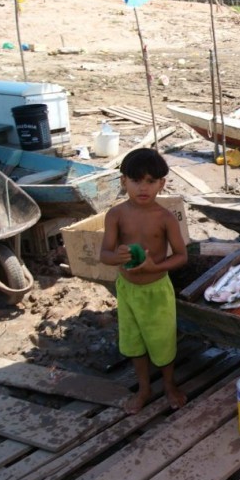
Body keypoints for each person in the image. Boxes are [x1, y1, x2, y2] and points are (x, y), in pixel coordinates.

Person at [100, 148, 188, 414]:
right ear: (123, 181)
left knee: (162, 341)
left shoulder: (165, 218)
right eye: (136, 180)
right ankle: (144, 388)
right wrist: (118, 257)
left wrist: (155, 266)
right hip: (127, 290)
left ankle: (169, 385)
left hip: (157, 291)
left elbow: (182, 256)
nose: (143, 187)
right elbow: (104, 254)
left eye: (151, 181)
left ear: (162, 183)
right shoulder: (115, 215)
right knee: (133, 341)